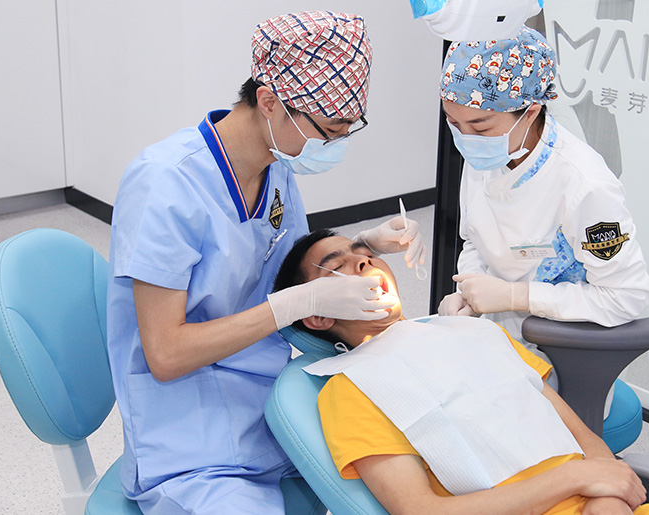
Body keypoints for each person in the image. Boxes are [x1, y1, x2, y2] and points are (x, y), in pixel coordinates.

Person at [106, 11, 425, 514]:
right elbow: (165, 354)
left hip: (275, 402)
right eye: (328, 131)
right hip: (193, 437)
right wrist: (296, 302)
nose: (334, 147)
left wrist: (361, 247)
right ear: (270, 101)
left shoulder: (276, 168)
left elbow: (286, 271)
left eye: (346, 131)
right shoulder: (165, 184)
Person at [272, 230, 649, 515]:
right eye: (337, 268)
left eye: (364, 254)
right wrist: (576, 480)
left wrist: (607, 500)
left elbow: (583, 437)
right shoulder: (351, 390)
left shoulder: (478, 332)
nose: (364, 261)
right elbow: (419, 511)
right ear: (318, 316)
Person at [435, 27, 649, 357]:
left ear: (530, 112)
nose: (466, 139)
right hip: (492, 338)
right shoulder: (488, 151)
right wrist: (469, 289)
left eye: (480, 127)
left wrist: (516, 296)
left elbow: (626, 297)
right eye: (454, 123)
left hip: (560, 348)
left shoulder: (585, 184)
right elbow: (476, 240)